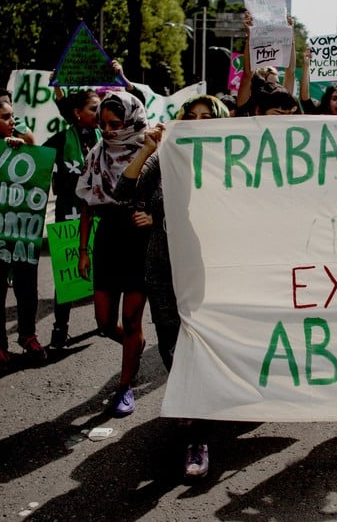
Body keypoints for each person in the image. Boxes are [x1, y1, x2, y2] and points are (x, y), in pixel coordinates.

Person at [113, 93, 229, 478]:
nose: (196, 121)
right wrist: (146, 150)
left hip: (213, 271)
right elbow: (123, 193)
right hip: (163, 268)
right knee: (172, 345)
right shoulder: (165, 159)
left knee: (208, 345)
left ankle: (200, 427)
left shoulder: (235, 163)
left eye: (205, 117)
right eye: (190, 115)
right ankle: (194, 428)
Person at [76, 90, 151, 417]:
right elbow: (87, 207)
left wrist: (153, 217)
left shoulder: (152, 153)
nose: (107, 131)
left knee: (132, 319)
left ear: (131, 120)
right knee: (105, 322)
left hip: (139, 240)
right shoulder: (97, 155)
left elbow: (170, 200)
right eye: (102, 123)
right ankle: (134, 347)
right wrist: (83, 250)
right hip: (107, 239)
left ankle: (124, 386)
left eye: (115, 124)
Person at [0, 96, 45, 364]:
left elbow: (36, 154)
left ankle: (27, 336)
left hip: (22, 233)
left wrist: (21, 146)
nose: (12, 121)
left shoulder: (18, 143)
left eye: (12, 116)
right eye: (5, 117)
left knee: (27, 286)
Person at [42, 87, 102, 348]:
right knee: (67, 274)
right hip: (69, 214)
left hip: (101, 215)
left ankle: (105, 322)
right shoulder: (58, 141)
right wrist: (17, 142)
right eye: (93, 109)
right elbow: (35, 160)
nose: (99, 113)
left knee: (103, 271)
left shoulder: (107, 137)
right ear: (77, 113)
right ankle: (60, 329)